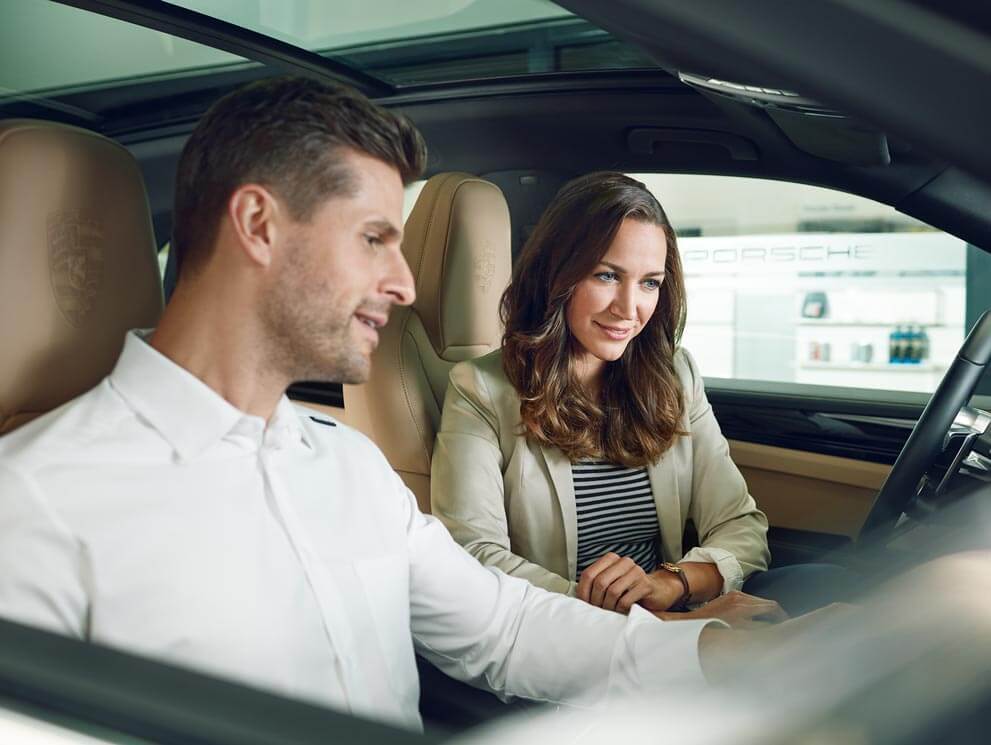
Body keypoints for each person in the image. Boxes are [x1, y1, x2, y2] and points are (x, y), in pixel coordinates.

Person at [0, 76, 771, 732]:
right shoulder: (29, 507)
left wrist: (712, 652)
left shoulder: (348, 464)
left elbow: (503, 626)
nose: (404, 286)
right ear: (259, 226)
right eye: (374, 238)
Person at [431, 172, 782, 623]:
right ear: (557, 276)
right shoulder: (479, 389)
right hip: (569, 634)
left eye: (650, 283)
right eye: (607, 275)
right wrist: (655, 626)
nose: (629, 308)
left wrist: (670, 582)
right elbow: (474, 556)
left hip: (675, 614)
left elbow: (742, 526)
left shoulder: (675, 373)